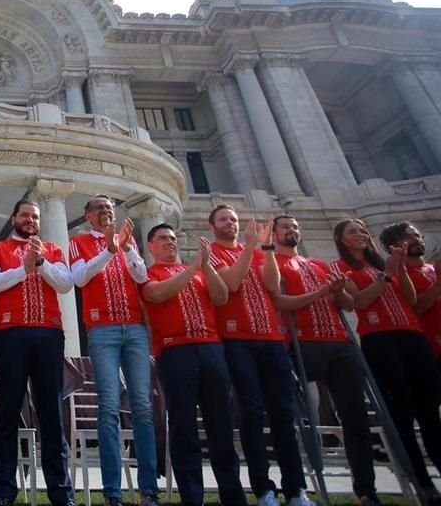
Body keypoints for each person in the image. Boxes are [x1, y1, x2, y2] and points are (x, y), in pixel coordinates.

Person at [271, 214, 381, 505]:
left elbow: (347, 303)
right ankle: (300, 484)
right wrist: (320, 293)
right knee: (299, 413)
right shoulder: (273, 264)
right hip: (301, 342)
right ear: (273, 234)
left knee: (355, 415)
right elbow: (279, 302)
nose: (291, 231)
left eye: (295, 227)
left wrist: (336, 292)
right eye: (285, 227)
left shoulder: (319, 265)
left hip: (338, 340)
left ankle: (365, 489)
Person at [206, 205, 312, 506]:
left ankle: (296, 489)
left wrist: (265, 248)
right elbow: (231, 283)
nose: (231, 224)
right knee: (251, 412)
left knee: (284, 413)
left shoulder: (257, 250)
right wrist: (251, 245)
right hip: (236, 339)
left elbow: (271, 285)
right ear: (212, 225)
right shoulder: (211, 253)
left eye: (234, 220)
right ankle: (263, 488)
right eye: (224, 219)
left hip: (271, 337)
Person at [333, 218, 441, 501]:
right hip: (379, 338)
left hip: (413, 335)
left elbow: (411, 300)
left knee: (431, 413)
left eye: (362, 230)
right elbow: (360, 302)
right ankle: (422, 482)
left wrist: (397, 271)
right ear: (341, 240)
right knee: (401, 414)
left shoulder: (385, 263)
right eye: (352, 232)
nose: (360, 235)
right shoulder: (342, 267)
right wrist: (386, 276)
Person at [140, 224, 245, 506]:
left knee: (221, 422)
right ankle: (192, 496)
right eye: (163, 238)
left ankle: (232, 494)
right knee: (183, 424)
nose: (170, 242)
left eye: (173, 238)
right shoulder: (148, 274)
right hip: (175, 351)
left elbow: (221, 297)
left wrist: (206, 267)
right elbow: (159, 294)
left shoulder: (200, 272)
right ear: (150, 246)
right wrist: (192, 268)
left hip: (211, 347)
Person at [0, 199, 75, 506]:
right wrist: (22, 269)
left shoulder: (53, 249)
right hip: (11, 333)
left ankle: (61, 493)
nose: (31, 220)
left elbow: (65, 284)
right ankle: (5, 491)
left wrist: (40, 263)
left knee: (51, 413)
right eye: (25, 215)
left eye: (35, 216)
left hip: (48, 333)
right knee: (7, 411)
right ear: (14, 218)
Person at [68, 195, 159, 506]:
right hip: (102, 328)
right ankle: (112, 492)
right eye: (100, 208)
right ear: (88, 215)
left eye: (110, 208)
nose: (107, 212)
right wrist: (108, 250)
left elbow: (141, 276)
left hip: (134, 328)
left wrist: (127, 247)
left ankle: (148, 490)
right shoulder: (78, 242)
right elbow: (79, 278)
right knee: (108, 407)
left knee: (143, 407)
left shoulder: (127, 239)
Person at [381, 222, 441, 365]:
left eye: (417, 235)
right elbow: (414, 309)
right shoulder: (394, 277)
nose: (416, 239)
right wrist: (439, 283)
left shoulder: (433, 268)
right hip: (431, 350)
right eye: (407, 237)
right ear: (392, 246)